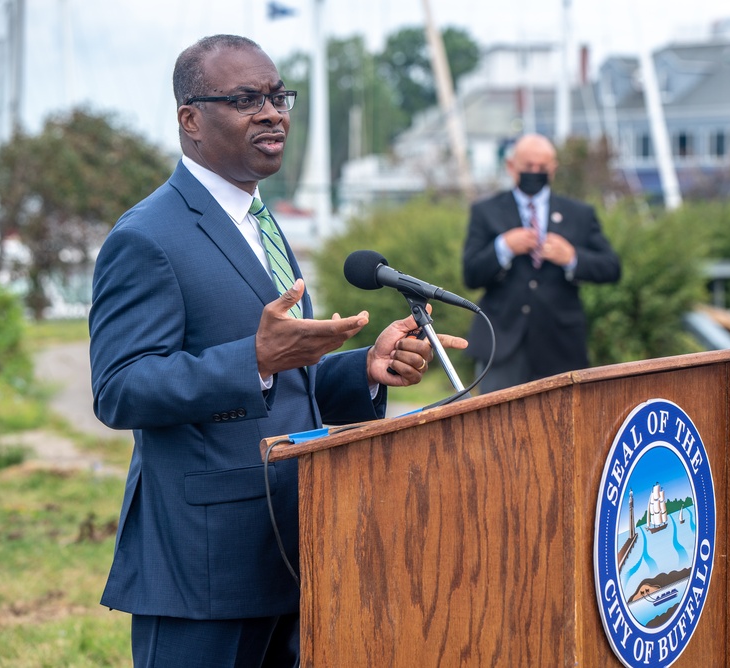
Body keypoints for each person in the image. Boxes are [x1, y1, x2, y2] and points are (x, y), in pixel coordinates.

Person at [89, 35, 466, 667]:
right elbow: (120, 388)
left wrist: (363, 369)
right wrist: (253, 361)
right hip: (203, 567)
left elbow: (287, 377)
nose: (272, 113)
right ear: (190, 119)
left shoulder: (262, 224)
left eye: (276, 95)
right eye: (244, 100)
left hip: (296, 541)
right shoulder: (147, 237)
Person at [461, 133, 621, 393]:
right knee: (497, 427)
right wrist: (503, 248)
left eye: (541, 168)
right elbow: (470, 274)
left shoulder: (579, 213)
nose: (535, 172)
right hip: (502, 345)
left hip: (560, 345)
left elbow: (611, 267)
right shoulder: (486, 211)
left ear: (553, 169)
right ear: (511, 166)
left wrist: (572, 258)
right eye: (528, 167)